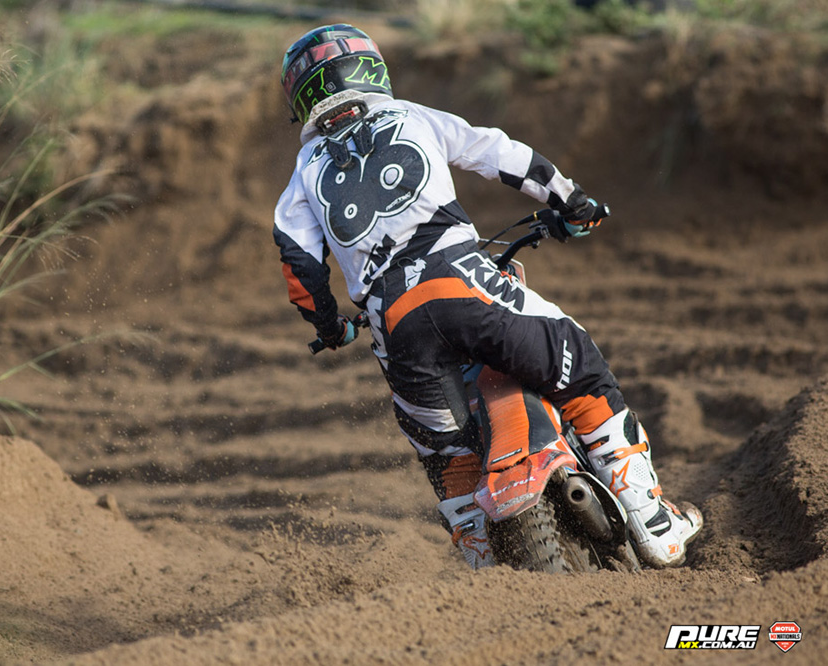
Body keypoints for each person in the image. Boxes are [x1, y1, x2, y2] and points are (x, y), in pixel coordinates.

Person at [272, 24, 702, 569]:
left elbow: (300, 270)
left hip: (395, 327)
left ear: (301, 97)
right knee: (583, 370)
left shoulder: (302, 176)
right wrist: (571, 199)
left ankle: (483, 566)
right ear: (370, 69)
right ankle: (655, 525)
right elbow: (498, 152)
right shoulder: (409, 116)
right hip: (462, 282)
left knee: (446, 455)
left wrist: (330, 327)